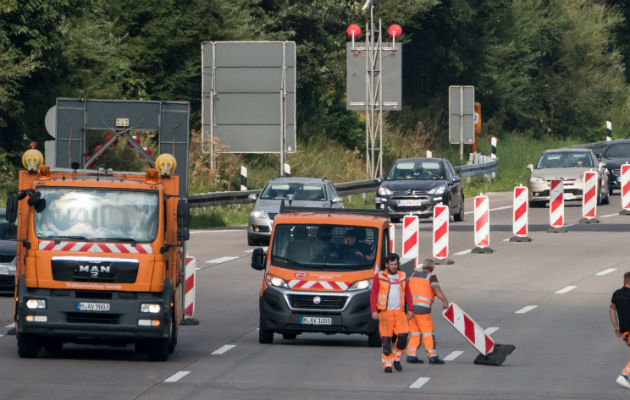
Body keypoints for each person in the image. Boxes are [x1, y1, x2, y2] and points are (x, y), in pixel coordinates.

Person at [370, 253, 412, 373]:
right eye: (392, 264)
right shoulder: (380, 276)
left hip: (400, 313)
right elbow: (373, 294)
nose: (394, 266)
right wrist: (374, 310)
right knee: (386, 341)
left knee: (403, 336)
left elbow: (408, 293)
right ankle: (387, 365)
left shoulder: (402, 276)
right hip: (385, 313)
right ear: (386, 264)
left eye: (396, 264)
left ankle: (396, 358)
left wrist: (411, 309)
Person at [405, 258, 448, 365]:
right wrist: (444, 301)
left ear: (423, 267)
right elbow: (436, 290)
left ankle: (411, 355)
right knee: (427, 333)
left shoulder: (413, 276)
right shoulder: (431, 277)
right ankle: (432, 356)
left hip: (410, 310)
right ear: (432, 268)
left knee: (415, 333)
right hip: (423, 310)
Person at [610, 271, 630, 389]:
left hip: (625, 333)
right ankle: (625, 375)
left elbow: (612, 309)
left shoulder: (616, 294)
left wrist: (615, 326)